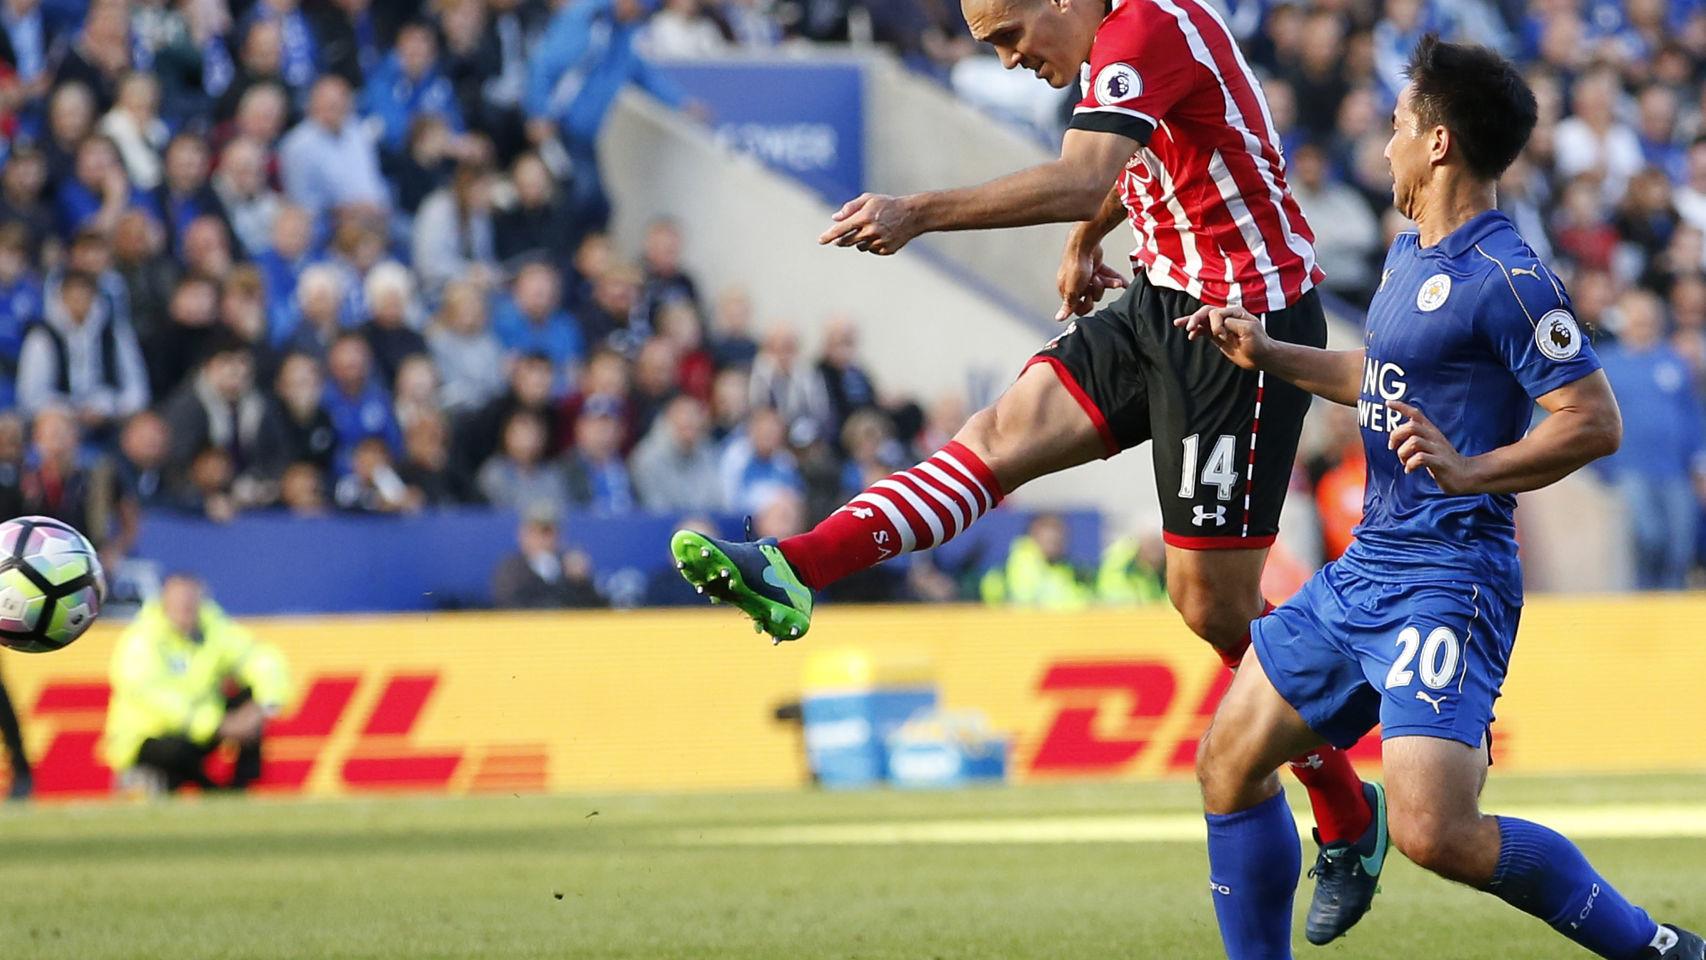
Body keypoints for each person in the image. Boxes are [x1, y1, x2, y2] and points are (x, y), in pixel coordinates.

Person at [669, 0, 1373, 930]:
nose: (1008, 59)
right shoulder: (1121, 39)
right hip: (1162, 297)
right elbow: (1141, 162)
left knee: (1210, 606)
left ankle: (1346, 802)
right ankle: (794, 567)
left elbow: (1084, 176)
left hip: (1241, 329)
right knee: (998, 433)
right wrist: (1087, 239)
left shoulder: (1146, 28)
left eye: (1009, 33)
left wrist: (917, 212)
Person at [1179, 37, 1703, 960]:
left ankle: (1657, 948)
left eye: (1396, 126)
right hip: (1368, 566)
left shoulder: (1509, 277)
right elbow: (1382, 375)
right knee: (1227, 761)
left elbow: (1592, 421)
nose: (1384, 146)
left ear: (1438, 143)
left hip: (1450, 580)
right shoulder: (1409, 253)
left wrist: (1470, 470)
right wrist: (1269, 354)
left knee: (1437, 833)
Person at [102, 574, 293, 794]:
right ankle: (207, 790)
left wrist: (264, 706)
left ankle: (242, 788)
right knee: (174, 751)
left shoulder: (214, 628)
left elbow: (260, 659)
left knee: (250, 698)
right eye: (179, 601)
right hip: (147, 738)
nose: (185, 607)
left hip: (202, 729)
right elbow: (158, 700)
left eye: (191, 601)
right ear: (164, 601)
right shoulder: (141, 639)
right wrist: (216, 725)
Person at [490, 505, 607, 609]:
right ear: (522, 535)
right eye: (535, 532)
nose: (542, 539)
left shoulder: (570, 565)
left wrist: (580, 583)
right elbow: (509, 604)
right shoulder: (511, 569)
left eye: (548, 532)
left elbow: (596, 608)